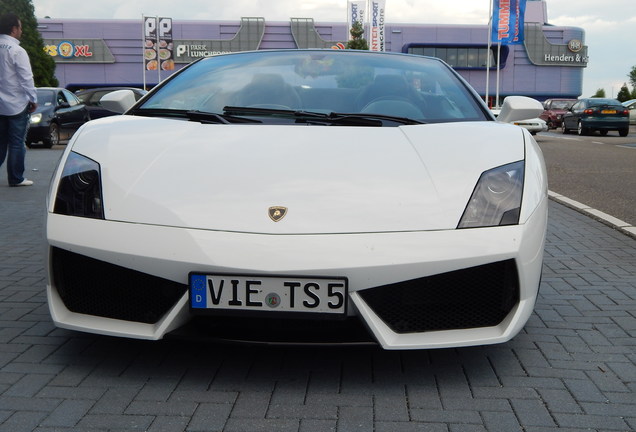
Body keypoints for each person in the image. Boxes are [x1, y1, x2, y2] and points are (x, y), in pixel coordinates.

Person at [0, 13, 38, 187]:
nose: (21, 31)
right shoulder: (17, 50)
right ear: (14, 29)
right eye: (20, 27)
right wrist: (33, 98)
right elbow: (26, 78)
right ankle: (16, 178)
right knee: (16, 143)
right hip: (16, 104)